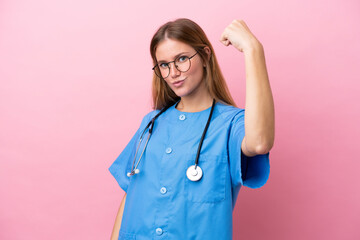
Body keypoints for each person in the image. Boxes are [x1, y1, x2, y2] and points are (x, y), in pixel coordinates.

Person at [109, 18, 275, 240]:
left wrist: (253, 50)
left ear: (206, 55)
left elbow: (259, 142)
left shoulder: (231, 125)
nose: (174, 72)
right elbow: (131, 193)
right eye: (164, 65)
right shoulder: (151, 123)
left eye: (182, 59)